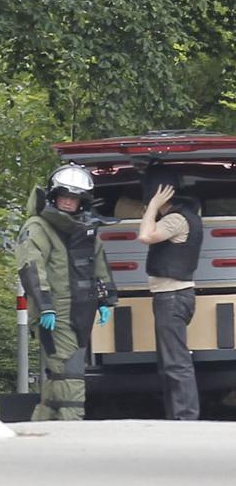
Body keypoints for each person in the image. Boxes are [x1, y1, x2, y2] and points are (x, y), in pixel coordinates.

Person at [15, 164, 118, 421]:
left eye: (74, 198)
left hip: (82, 309)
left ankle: (42, 426)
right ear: (53, 196)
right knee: (70, 372)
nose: (68, 202)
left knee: (58, 375)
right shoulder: (38, 227)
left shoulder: (84, 229)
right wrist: (45, 305)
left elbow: (97, 263)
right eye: (64, 196)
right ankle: (73, 425)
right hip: (56, 312)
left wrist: (105, 299)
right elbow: (31, 267)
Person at [137, 167, 203, 420]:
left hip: (172, 296)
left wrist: (153, 205)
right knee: (170, 361)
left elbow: (145, 235)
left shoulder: (176, 219)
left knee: (176, 362)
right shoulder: (187, 215)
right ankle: (177, 417)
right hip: (174, 296)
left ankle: (185, 417)